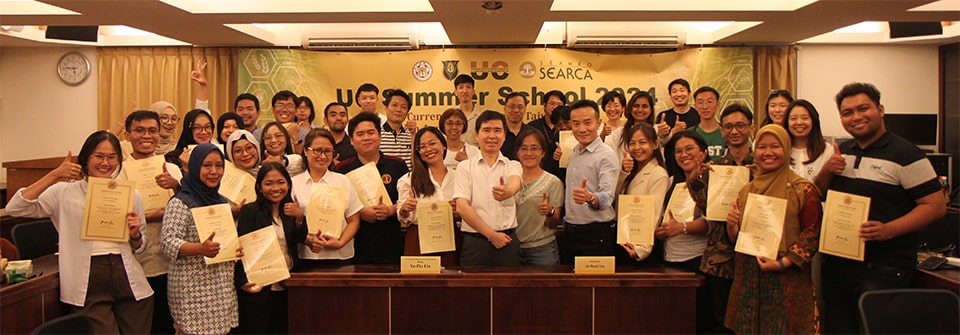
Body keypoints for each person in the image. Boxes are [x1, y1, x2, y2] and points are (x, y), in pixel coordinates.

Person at [815, 83, 946, 334]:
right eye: (847, 113)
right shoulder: (845, 152)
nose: (855, 117)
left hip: (883, 267)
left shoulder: (907, 155)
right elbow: (818, 193)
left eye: (863, 108)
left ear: (881, 109)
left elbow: (935, 206)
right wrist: (827, 170)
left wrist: (889, 229)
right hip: (839, 264)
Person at [7, 131, 153, 334]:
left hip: (128, 277)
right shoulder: (63, 192)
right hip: (88, 281)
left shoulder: (130, 193)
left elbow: (142, 246)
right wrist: (56, 174)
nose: (105, 163)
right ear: (85, 158)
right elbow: (15, 207)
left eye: (112, 157)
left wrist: (135, 234)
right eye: (99, 156)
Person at [724, 125, 822, 334]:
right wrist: (732, 225)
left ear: (786, 149)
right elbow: (737, 238)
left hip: (786, 282)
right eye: (761, 147)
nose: (768, 153)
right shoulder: (747, 190)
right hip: (749, 282)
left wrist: (781, 263)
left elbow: (811, 235)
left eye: (775, 146)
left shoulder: (803, 189)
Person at [162, 143, 241, 335]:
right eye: (207, 166)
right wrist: (200, 248)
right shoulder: (180, 202)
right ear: (196, 167)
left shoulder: (221, 201)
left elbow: (224, 240)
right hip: (192, 293)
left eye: (219, 166)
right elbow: (168, 243)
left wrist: (234, 250)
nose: (214, 171)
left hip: (221, 291)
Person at [122, 110, 182, 334]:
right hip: (137, 263)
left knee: (167, 325)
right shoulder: (119, 172)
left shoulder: (173, 169)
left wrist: (177, 187)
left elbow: (192, 212)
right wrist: (147, 216)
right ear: (128, 135)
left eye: (152, 131)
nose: (146, 136)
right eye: (139, 130)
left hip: (170, 263)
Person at [234, 162, 308, 334]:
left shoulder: (291, 210)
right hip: (260, 287)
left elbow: (300, 239)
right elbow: (241, 249)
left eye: (281, 182)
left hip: (287, 284)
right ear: (259, 187)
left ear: (288, 184)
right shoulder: (249, 211)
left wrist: (299, 218)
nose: (275, 188)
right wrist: (242, 282)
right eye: (269, 183)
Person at [334, 112, 408, 265]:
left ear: (380, 136)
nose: (366, 138)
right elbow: (335, 208)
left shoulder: (397, 165)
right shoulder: (342, 169)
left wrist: (390, 210)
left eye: (371, 132)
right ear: (352, 141)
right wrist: (359, 214)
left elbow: (407, 201)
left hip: (391, 247)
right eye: (360, 134)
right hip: (354, 248)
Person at [453, 110, 523, 266]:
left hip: (507, 242)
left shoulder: (513, 165)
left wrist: (508, 191)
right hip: (475, 244)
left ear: (504, 136)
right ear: (476, 135)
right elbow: (462, 207)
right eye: (486, 130)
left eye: (497, 130)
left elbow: (515, 182)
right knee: (473, 290)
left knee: (509, 290)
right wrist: (491, 235)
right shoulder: (465, 167)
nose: (492, 136)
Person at [661, 130, 713, 333]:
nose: (684, 155)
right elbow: (668, 219)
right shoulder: (672, 181)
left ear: (703, 152)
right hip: (670, 260)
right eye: (678, 151)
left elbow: (712, 225)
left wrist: (681, 228)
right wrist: (663, 230)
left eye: (689, 149)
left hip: (697, 261)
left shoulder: (711, 181)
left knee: (698, 322)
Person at [560, 100, 619, 264]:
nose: (582, 129)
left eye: (587, 122)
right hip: (571, 231)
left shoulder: (606, 155)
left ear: (599, 123)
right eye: (576, 123)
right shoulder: (574, 153)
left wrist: (590, 198)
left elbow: (607, 198)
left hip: (595, 234)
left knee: (595, 287)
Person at [293, 128, 362, 265]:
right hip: (305, 256)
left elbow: (354, 220)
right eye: (317, 150)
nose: (323, 156)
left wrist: (340, 242)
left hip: (340, 256)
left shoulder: (343, 181)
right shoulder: (294, 183)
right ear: (306, 151)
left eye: (328, 151)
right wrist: (307, 240)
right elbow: (288, 223)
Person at [396, 127, 459, 265]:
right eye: (422, 146)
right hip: (418, 241)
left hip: (451, 238)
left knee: (451, 282)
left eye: (432, 143)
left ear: (443, 145)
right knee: (420, 284)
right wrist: (405, 208)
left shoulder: (459, 177)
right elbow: (402, 216)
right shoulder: (408, 179)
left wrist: (458, 211)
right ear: (418, 152)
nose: (428, 149)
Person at [616, 123, 669, 264]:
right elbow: (614, 199)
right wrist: (623, 173)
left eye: (643, 142)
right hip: (624, 239)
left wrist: (642, 249)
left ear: (655, 144)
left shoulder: (658, 174)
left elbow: (654, 214)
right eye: (632, 143)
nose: (637, 148)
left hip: (639, 246)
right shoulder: (630, 171)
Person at [514, 129, 564, 265]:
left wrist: (550, 212)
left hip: (542, 250)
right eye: (524, 148)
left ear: (543, 153)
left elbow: (554, 223)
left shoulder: (553, 182)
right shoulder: (509, 179)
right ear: (517, 153)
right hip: (511, 249)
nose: (529, 153)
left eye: (534, 148)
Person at [783, 99, 834, 182]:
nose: (799, 122)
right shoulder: (781, 150)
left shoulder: (828, 151)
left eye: (805, 118)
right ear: (787, 122)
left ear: (813, 121)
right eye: (793, 118)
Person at [656, 78, 700, 144]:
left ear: (689, 94)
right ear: (670, 96)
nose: (679, 94)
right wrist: (673, 131)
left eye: (682, 90)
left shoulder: (698, 114)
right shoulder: (663, 116)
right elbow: (658, 143)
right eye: (674, 91)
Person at [380, 89, 415, 169]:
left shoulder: (411, 135)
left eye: (403, 107)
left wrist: (413, 136)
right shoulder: (376, 134)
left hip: (407, 180)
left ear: (407, 112)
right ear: (386, 108)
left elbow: (416, 164)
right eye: (395, 105)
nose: (398, 110)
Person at [691, 86, 725, 160]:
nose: (705, 106)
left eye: (709, 102)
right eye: (700, 102)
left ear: (717, 105)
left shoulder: (726, 132)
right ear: (695, 106)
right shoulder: (690, 134)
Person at [454, 75, 482, 146]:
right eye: (461, 87)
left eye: (468, 87)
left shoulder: (483, 115)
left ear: (473, 91)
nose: (465, 91)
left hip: (478, 155)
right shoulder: (450, 116)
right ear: (455, 92)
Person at [502, 92, 531, 161]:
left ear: (525, 110)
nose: (516, 110)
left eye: (520, 107)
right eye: (512, 106)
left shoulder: (532, 133)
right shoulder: (497, 133)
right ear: (505, 108)